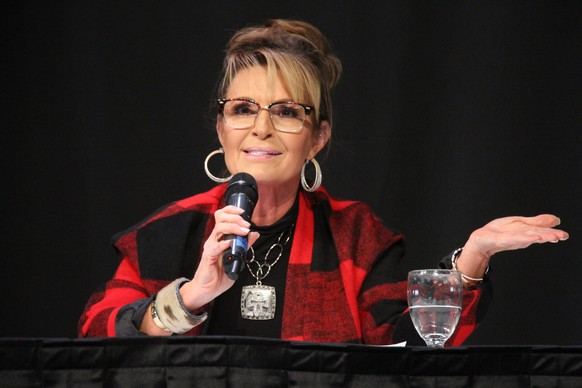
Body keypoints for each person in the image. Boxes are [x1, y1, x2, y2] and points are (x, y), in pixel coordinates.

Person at [78, 19, 568, 345]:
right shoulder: (168, 232)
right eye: (243, 109)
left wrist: (472, 259)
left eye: (288, 111)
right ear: (221, 128)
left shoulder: (356, 235)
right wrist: (189, 298)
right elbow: (94, 336)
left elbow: (404, 348)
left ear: (317, 137)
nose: (261, 128)